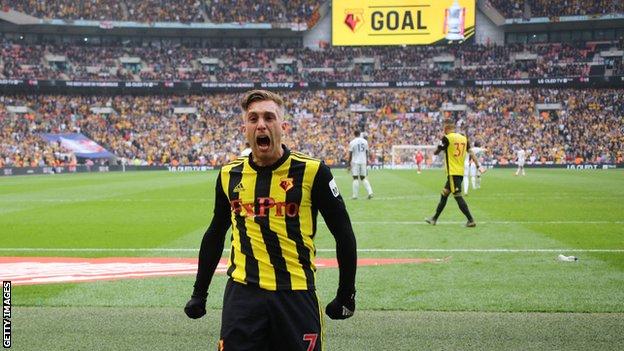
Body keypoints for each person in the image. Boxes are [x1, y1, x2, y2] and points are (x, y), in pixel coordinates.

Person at [184, 90, 357, 351]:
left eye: (269, 117)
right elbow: (215, 232)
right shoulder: (229, 175)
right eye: (253, 118)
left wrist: (346, 294)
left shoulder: (313, 172)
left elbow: (343, 232)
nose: (261, 124)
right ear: (245, 128)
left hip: (296, 294)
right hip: (243, 294)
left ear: (283, 126)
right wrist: (199, 292)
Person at [426, 120, 479, 227]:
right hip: (459, 171)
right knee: (444, 193)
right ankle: (434, 218)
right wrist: (478, 165)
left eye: (444, 130)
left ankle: (471, 220)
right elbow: (471, 152)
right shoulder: (464, 138)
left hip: (453, 173)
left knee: (457, 196)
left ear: (446, 129)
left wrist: (437, 149)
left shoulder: (447, 138)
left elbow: (437, 151)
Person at [348, 130, 373, 199]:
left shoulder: (352, 142)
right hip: (363, 161)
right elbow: (367, 152)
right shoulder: (365, 141)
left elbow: (350, 154)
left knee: (355, 178)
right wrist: (366, 161)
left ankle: (355, 195)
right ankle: (370, 192)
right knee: (363, 177)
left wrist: (348, 164)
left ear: (354, 134)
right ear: (360, 134)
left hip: (355, 162)